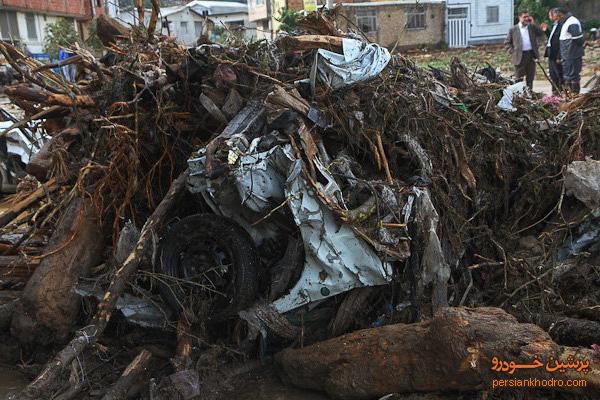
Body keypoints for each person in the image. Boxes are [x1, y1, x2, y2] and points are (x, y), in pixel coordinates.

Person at [504, 11, 546, 89]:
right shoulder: (513, 29)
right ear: (519, 18)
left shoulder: (531, 27)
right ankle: (519, 95)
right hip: (519, 56)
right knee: (518, 78)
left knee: (530, 77)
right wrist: (513, 52)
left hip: (531, 55)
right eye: (524, 17)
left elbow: (541, 33)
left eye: (528, 17)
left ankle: (530, 93)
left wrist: (533, 22)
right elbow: (507, 43)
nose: (526, 18)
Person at [554, 8, 585, 94]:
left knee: (573, 77)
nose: (557, 19)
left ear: (561, 14)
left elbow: (578, 39)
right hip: (567, 56)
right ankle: (569, 97)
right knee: (567, 77)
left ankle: (574, 97)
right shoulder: (566, 22)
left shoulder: (572, 22)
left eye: (557, 17)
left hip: (573, 55)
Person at [543, 8, 564, 94]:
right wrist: (546, 31)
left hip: (556, 55)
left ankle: (561, 92)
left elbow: (561, 42)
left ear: (556, 15)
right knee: (553, 75)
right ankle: (555, 92)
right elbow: (552, 40)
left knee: (559, 75)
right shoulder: (554, 25)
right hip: (551, 54)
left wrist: (559, 56)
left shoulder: (561, 26)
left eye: (550, 15)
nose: (549, 17)